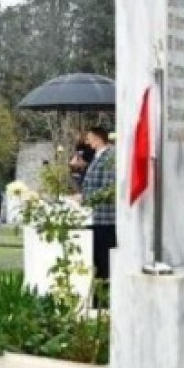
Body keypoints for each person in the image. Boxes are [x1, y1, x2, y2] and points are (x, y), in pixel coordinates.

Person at [79, 126, 116, 308]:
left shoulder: (110, 156)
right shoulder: (97, 157)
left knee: (104, 262)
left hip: (106, 219)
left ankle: (104, 302)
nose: (87, 141)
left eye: (89, 138)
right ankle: (97, 300)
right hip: (94, 217)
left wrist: (86, 198)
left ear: (98, 138)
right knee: (96, 262)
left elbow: (108, 188)